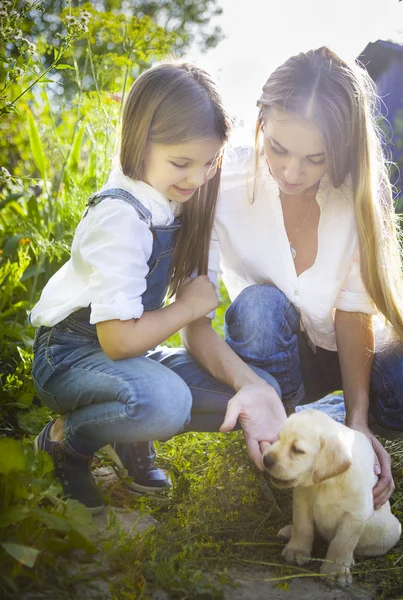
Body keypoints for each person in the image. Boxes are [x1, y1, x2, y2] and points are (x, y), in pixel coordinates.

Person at [178, 47, 403, 510]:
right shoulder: (221, 181)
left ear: (344, 148)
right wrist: (250, 386)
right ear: (262, 123)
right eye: (278, 149)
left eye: (316, 158)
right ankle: (281, 423)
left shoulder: (356, 193)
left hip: (347, 351)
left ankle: (316, 429)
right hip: (272, 355)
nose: (293, 172)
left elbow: (353, 314)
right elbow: (193, 322)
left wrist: (357, 423)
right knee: (258, 307)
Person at [29, 61, 236, 513]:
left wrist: (249, 383)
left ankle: (125, 435)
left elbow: (150, 335)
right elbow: (119, 340)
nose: (197, 179)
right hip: (68, 354)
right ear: (139, 141)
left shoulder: (178, 202)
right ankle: (67, 443)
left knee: (236, 393)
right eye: (182, 163)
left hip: (128, 354)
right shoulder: (122, 215)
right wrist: (185, 308)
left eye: (208, 163)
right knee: (165, 403)